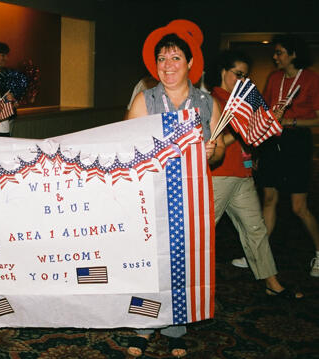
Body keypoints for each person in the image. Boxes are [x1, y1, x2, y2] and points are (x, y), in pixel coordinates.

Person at [126, 19, 225, 358]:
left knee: (181, 262)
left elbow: (220, 148)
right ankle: (142, 326)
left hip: (189, 198)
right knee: (147, 263)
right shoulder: (145, 100)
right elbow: (126, 147)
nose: (167, 66)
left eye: (175, 58)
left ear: (190, 63)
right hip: (151, 197)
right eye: (162, 59)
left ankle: (174, 327)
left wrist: (214, 151)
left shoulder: (207, 104)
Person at [210, 50, 303, 298]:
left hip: (241, 173)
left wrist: (269, 121)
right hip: (219, 175)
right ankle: (174, 282)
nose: (242, 81)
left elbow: (253, 136)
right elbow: (213, 144)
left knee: (256, 229)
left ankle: (273, 284)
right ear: (222, 71)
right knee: (200, 232)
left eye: (245, 76)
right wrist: (246, 132)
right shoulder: (212, 101)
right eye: (237, 74)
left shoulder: (239, 100)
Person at [255, 34, 319, 277]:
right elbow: (264, 110)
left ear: (293, 54)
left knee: (298, 207)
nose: (275, 56)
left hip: (297, 142)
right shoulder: (274, 78)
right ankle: (258, 253)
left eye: (279, 52)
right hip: (273, 140)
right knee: (269, 199)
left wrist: (291, 120)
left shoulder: (312, 79)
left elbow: (318, 117)